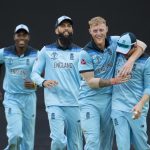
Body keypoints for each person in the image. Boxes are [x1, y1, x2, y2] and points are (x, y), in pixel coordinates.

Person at [78, 16, 147, 150]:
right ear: (90, 31)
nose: (98, 33)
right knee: (92, 141)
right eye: (95, 30)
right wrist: (113, 81)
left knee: (106, 144)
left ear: (107, 29)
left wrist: (130, 61)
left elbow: (142, 45)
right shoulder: (85, 53)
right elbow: (91, 82)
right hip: (89, 100)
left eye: (101, 30)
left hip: (109, 101)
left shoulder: (115, 41)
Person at [31, 15, 83, 150]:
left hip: (75, 103)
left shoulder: (80, 52)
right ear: (56, 30)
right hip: (55, 103)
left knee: (76, 145)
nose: (66, 28)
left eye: (69, 26)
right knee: (59, 141)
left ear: (72, 30)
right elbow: (34, 74)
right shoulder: (46, 51)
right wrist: (43, 81)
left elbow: (86, 78)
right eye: (63, 25)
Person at [0, 24, 38, 150]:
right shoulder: (4, 52)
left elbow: (44, 75)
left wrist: (35, 84)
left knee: (27, 141)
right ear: (14, 37)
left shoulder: (36, 54)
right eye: (18, 35)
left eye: (24, 35)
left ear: (29, 38)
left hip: (29, 98)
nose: (21, 37)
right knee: (15, 135)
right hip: (12, 98)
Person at [111, 32, 150, 150]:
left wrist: (141, 104)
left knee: (141, 146)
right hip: (118, 108)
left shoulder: (147, 61)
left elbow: (148, 87)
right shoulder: (118, 55)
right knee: (123, 146)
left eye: (126, 50)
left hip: (137, 109)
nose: (123, 53)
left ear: (134, 47)